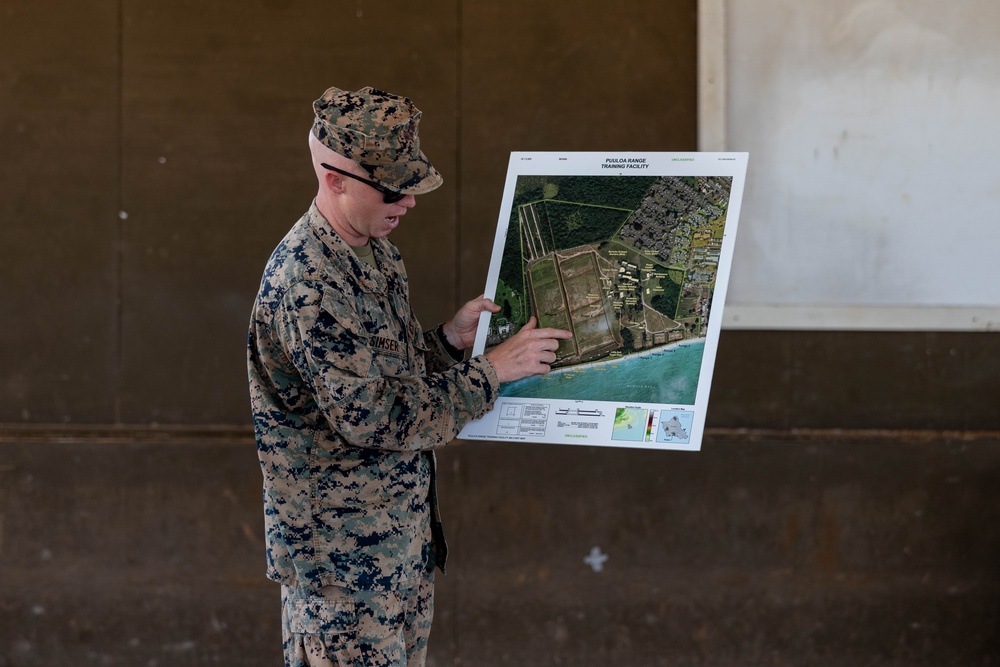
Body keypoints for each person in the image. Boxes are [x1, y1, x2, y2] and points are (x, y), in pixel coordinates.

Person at [247, 85, 572, 667]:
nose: (410, 202)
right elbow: (374, 418)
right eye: (394, 187)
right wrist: (492, 372)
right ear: (335, 177)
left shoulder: (374, 252)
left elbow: (387, 379)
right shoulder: (310, 281)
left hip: (397, 546)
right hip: (343, 571)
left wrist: (449, 342)